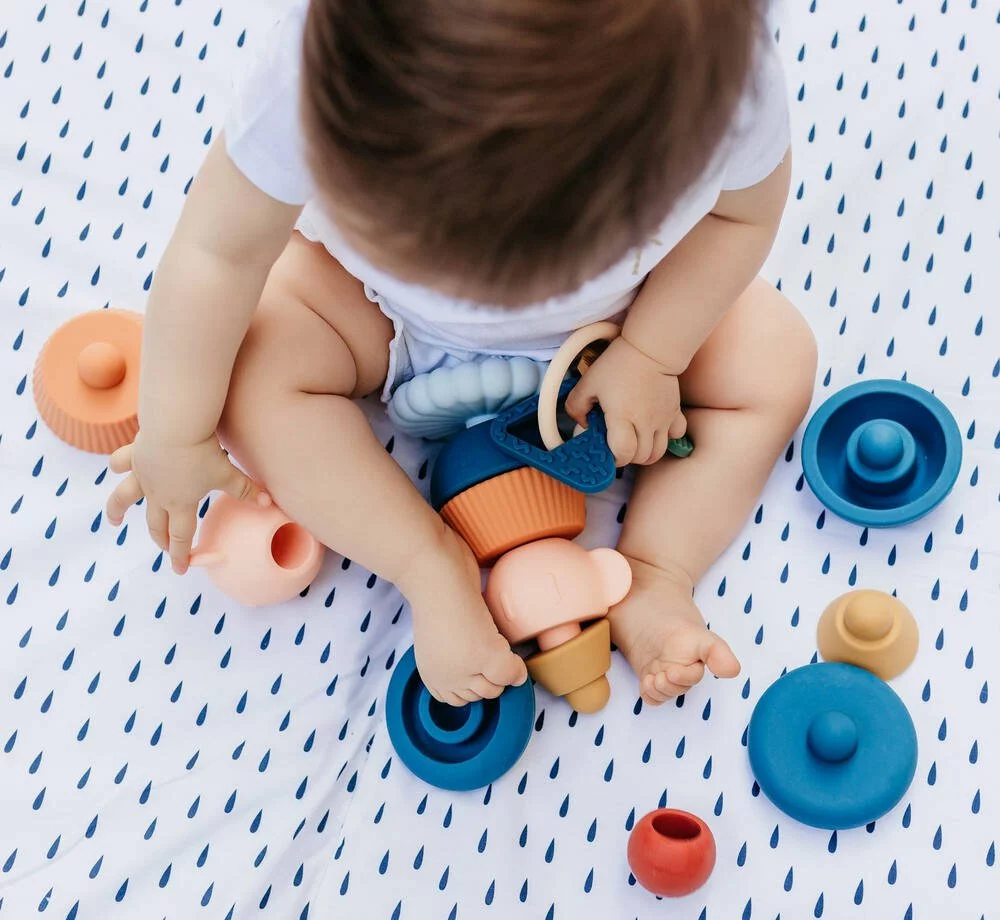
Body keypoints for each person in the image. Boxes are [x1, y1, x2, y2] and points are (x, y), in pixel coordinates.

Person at [106, 0, 817, 707]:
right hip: (380, 310)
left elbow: (740, 217)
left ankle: (654, 570)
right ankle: (429, 563)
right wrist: (176, 434)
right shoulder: (310, 73)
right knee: (253, 371)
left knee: (773, 358)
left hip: (618, 322)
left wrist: (655, 352)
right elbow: (216, 255)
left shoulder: (723, 87)